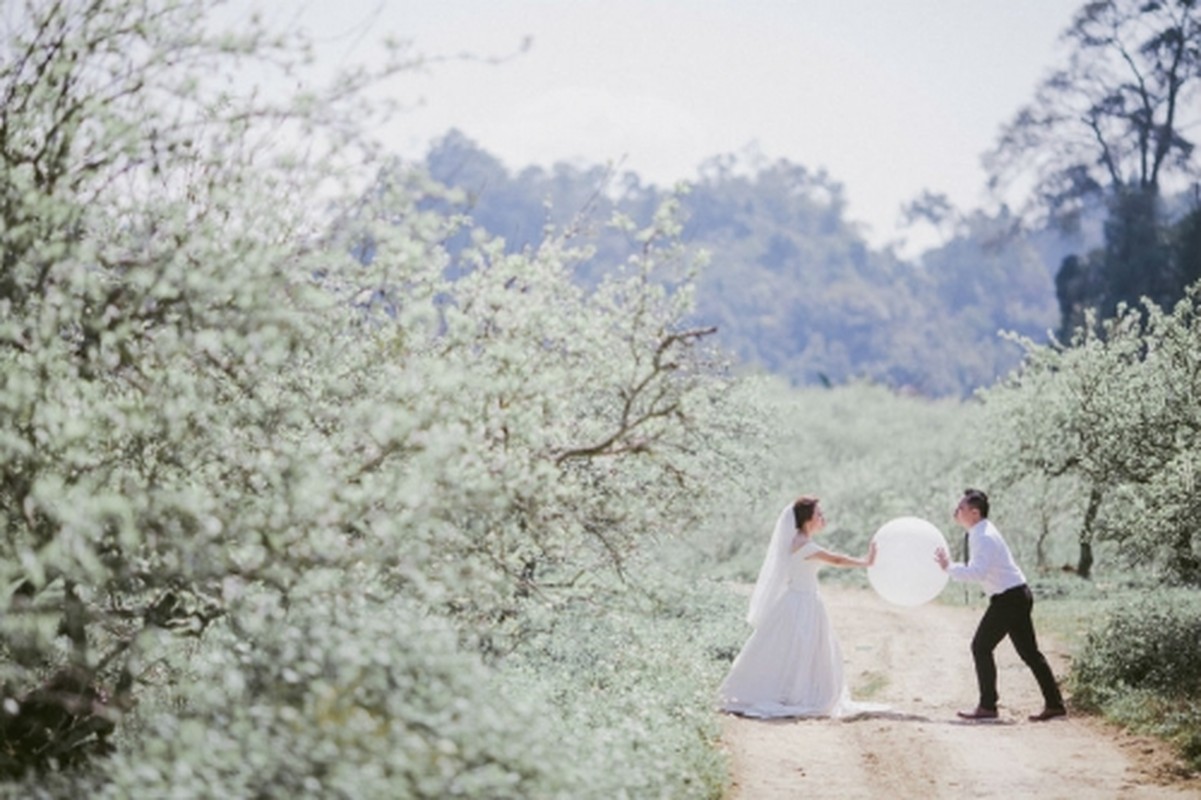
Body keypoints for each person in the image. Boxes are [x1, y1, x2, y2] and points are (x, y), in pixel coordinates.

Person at [719, 496, 884, 718]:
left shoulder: (797, 540)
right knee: (804, 646)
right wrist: (866, 561)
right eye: (818, 514)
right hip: (803, 602)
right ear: (808, 519)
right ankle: (798, 693)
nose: (822, 518)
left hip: (798, 600)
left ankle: (787, 689)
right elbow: (836, 560)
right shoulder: (804, 545)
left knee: (793, 647)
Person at [935, 488, 1067, 722]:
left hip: (1010, 599)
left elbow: (977, 572)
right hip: (1016, 595)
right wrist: (951, 566)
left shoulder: (982, 535)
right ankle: (1055, 705)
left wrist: (948, 567)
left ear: (974, 513)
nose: (956, 512)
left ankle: (988, 706)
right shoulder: (981, 531)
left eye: (961, 508)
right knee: (1029, 653)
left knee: (981, 647)